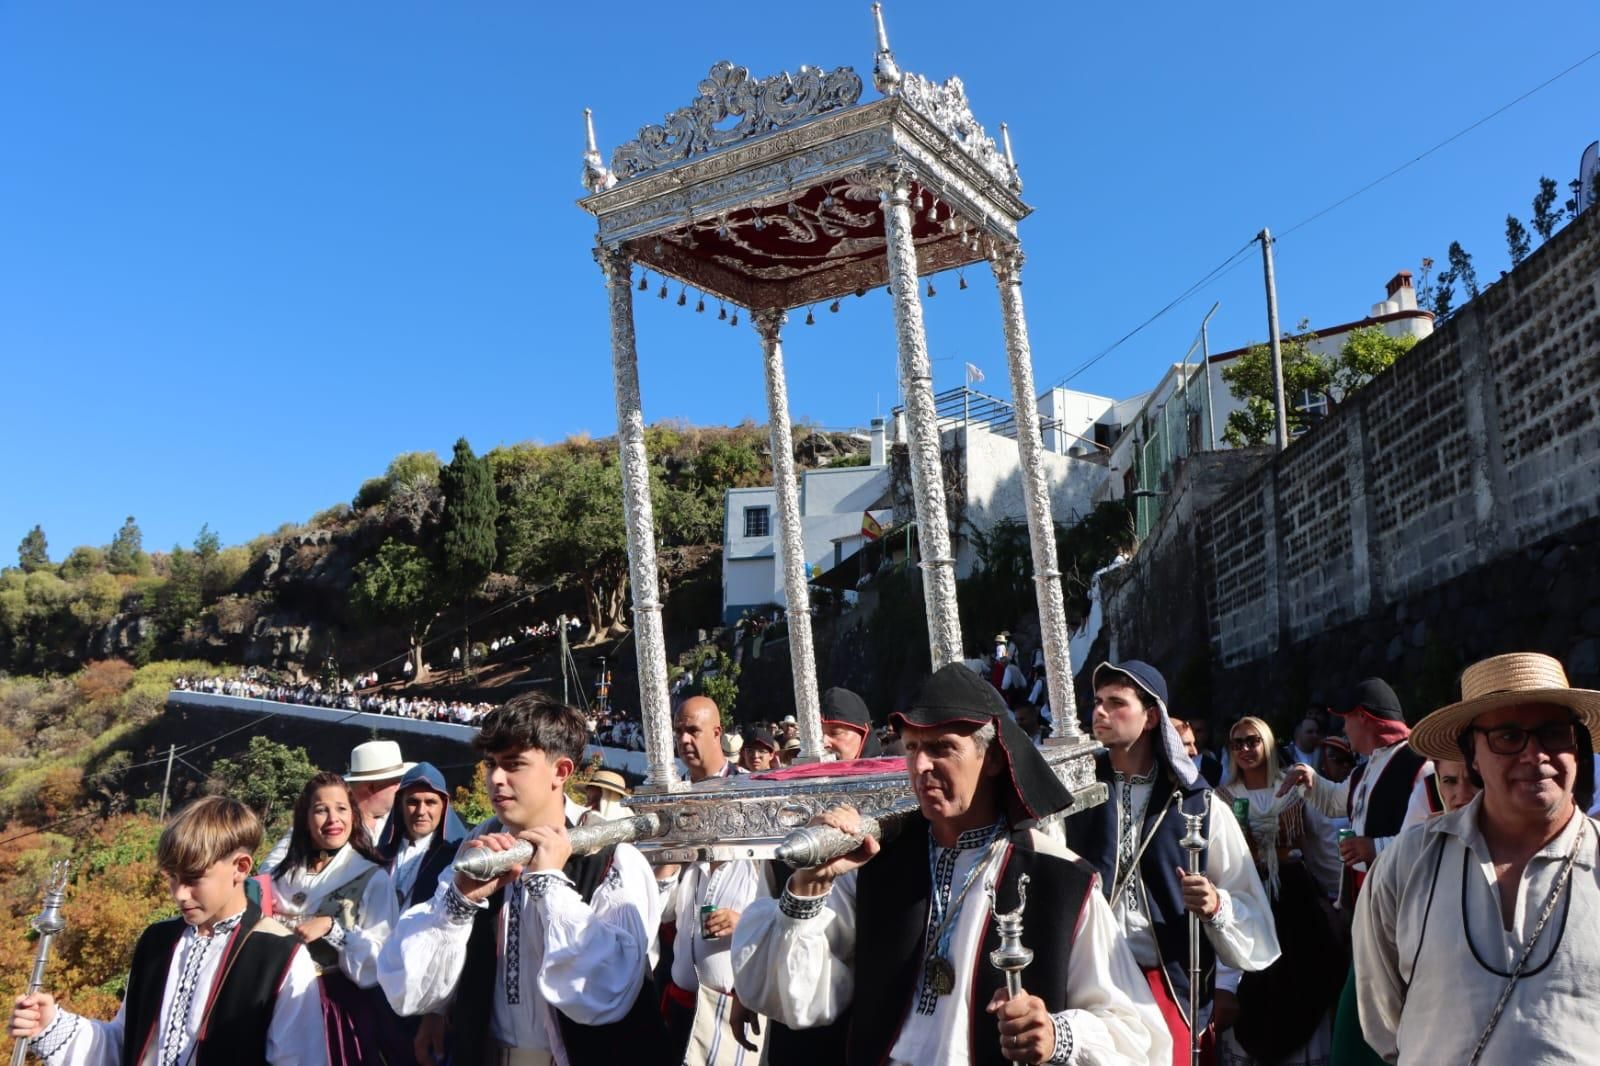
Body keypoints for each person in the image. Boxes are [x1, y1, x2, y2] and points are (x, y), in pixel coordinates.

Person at [734, 662, 1166, 1064]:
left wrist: (1057, 1035)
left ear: (993, 757)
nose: (920, 765)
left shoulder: (1060, 878)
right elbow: (800, 999)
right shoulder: (876, 865)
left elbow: (1135, 1034)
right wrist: (811, 884)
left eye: (942, 748)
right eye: (913, 748)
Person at [380, 691, 669, 1065]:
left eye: (514, 764)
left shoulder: (613, 860)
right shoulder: (477, 852)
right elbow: (408, 988)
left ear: (561, 771)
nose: (496, 778)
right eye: (491, 764)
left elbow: (605, 991)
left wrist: (549, 883)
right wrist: (458, 902)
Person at [1354, 652, 1600, 1063]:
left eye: (1554, 733)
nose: (1535, 754)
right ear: (1472, 756)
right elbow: (1384, 1020)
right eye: (1508, 736)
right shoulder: (1409, 863)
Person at [1066, 661, 1279, 1066]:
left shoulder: (1199, 805)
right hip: (1091, 987)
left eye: (1116, 703)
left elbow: (1250, 907)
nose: (1100, 712)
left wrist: (1216, 904)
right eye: (1097, 702)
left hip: (1168, 990)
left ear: (1150, 717)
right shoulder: (1076, 800)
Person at [9, 796, 327, 1064]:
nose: (179, 894)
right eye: (172, 877)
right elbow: (125, 1045)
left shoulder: (280, 955)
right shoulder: (158, 941)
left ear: (240, 867)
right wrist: (51, 1025)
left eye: (193, 878)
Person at [1214, 718, 1344, 1066]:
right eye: (1236, 742)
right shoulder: (1221, 799)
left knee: (1303, 978)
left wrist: (1338, 897)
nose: (1244, 749)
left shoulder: (1294, 790)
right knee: (1256, 986)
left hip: (1293, 897)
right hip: (1247, 897)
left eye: (1252, 741)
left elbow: (1323, 848)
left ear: (1268, 744)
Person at [271, 772, 404, 1066]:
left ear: (353, 815)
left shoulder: (371, 878)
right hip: (282, 1002)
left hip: (337, 1009)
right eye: (321, 810)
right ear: (305, 818)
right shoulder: (283, 876)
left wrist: (334, 929)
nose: (333, 819)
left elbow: (380, 962)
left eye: (342, 808)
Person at [1279, 679, 1434, 908]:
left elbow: (1435, 835)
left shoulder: (1419, 763)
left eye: (1346, 719)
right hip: (1367, 896)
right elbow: (1334, 802)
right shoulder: (1362, 771)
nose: (1343, 728)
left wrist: (1376, 848)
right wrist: (1309, 779)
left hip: (1407, 900)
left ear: (1363, 717)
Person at [261, 740, 414, 872]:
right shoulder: (326, 824)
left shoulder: (392, 823)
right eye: (396, 783)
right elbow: (270, 869)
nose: (401, 789)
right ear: (372, 788)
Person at [376, 762, 463, 911]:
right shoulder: (379, 854)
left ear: (444, 807)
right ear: (400, 805)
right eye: (412, 802)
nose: (421, 811)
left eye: (430, 802)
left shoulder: (456, 858)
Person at [678, 696, 741, 783]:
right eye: (678, 732)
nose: (683, 740)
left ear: (716, 733)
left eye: (693, 731)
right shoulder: (669, 794)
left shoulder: (749, 785)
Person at [820, 687, 882, 761]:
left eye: (836, 732)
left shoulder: (891, 771)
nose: (824, 743)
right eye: (819, 735)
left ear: (863, 734)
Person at [1172, 718, 1222, 787]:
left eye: (1199, 731)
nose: (1194, 733)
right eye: (1191, 729)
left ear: (1207, 734)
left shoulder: (1210, 762)